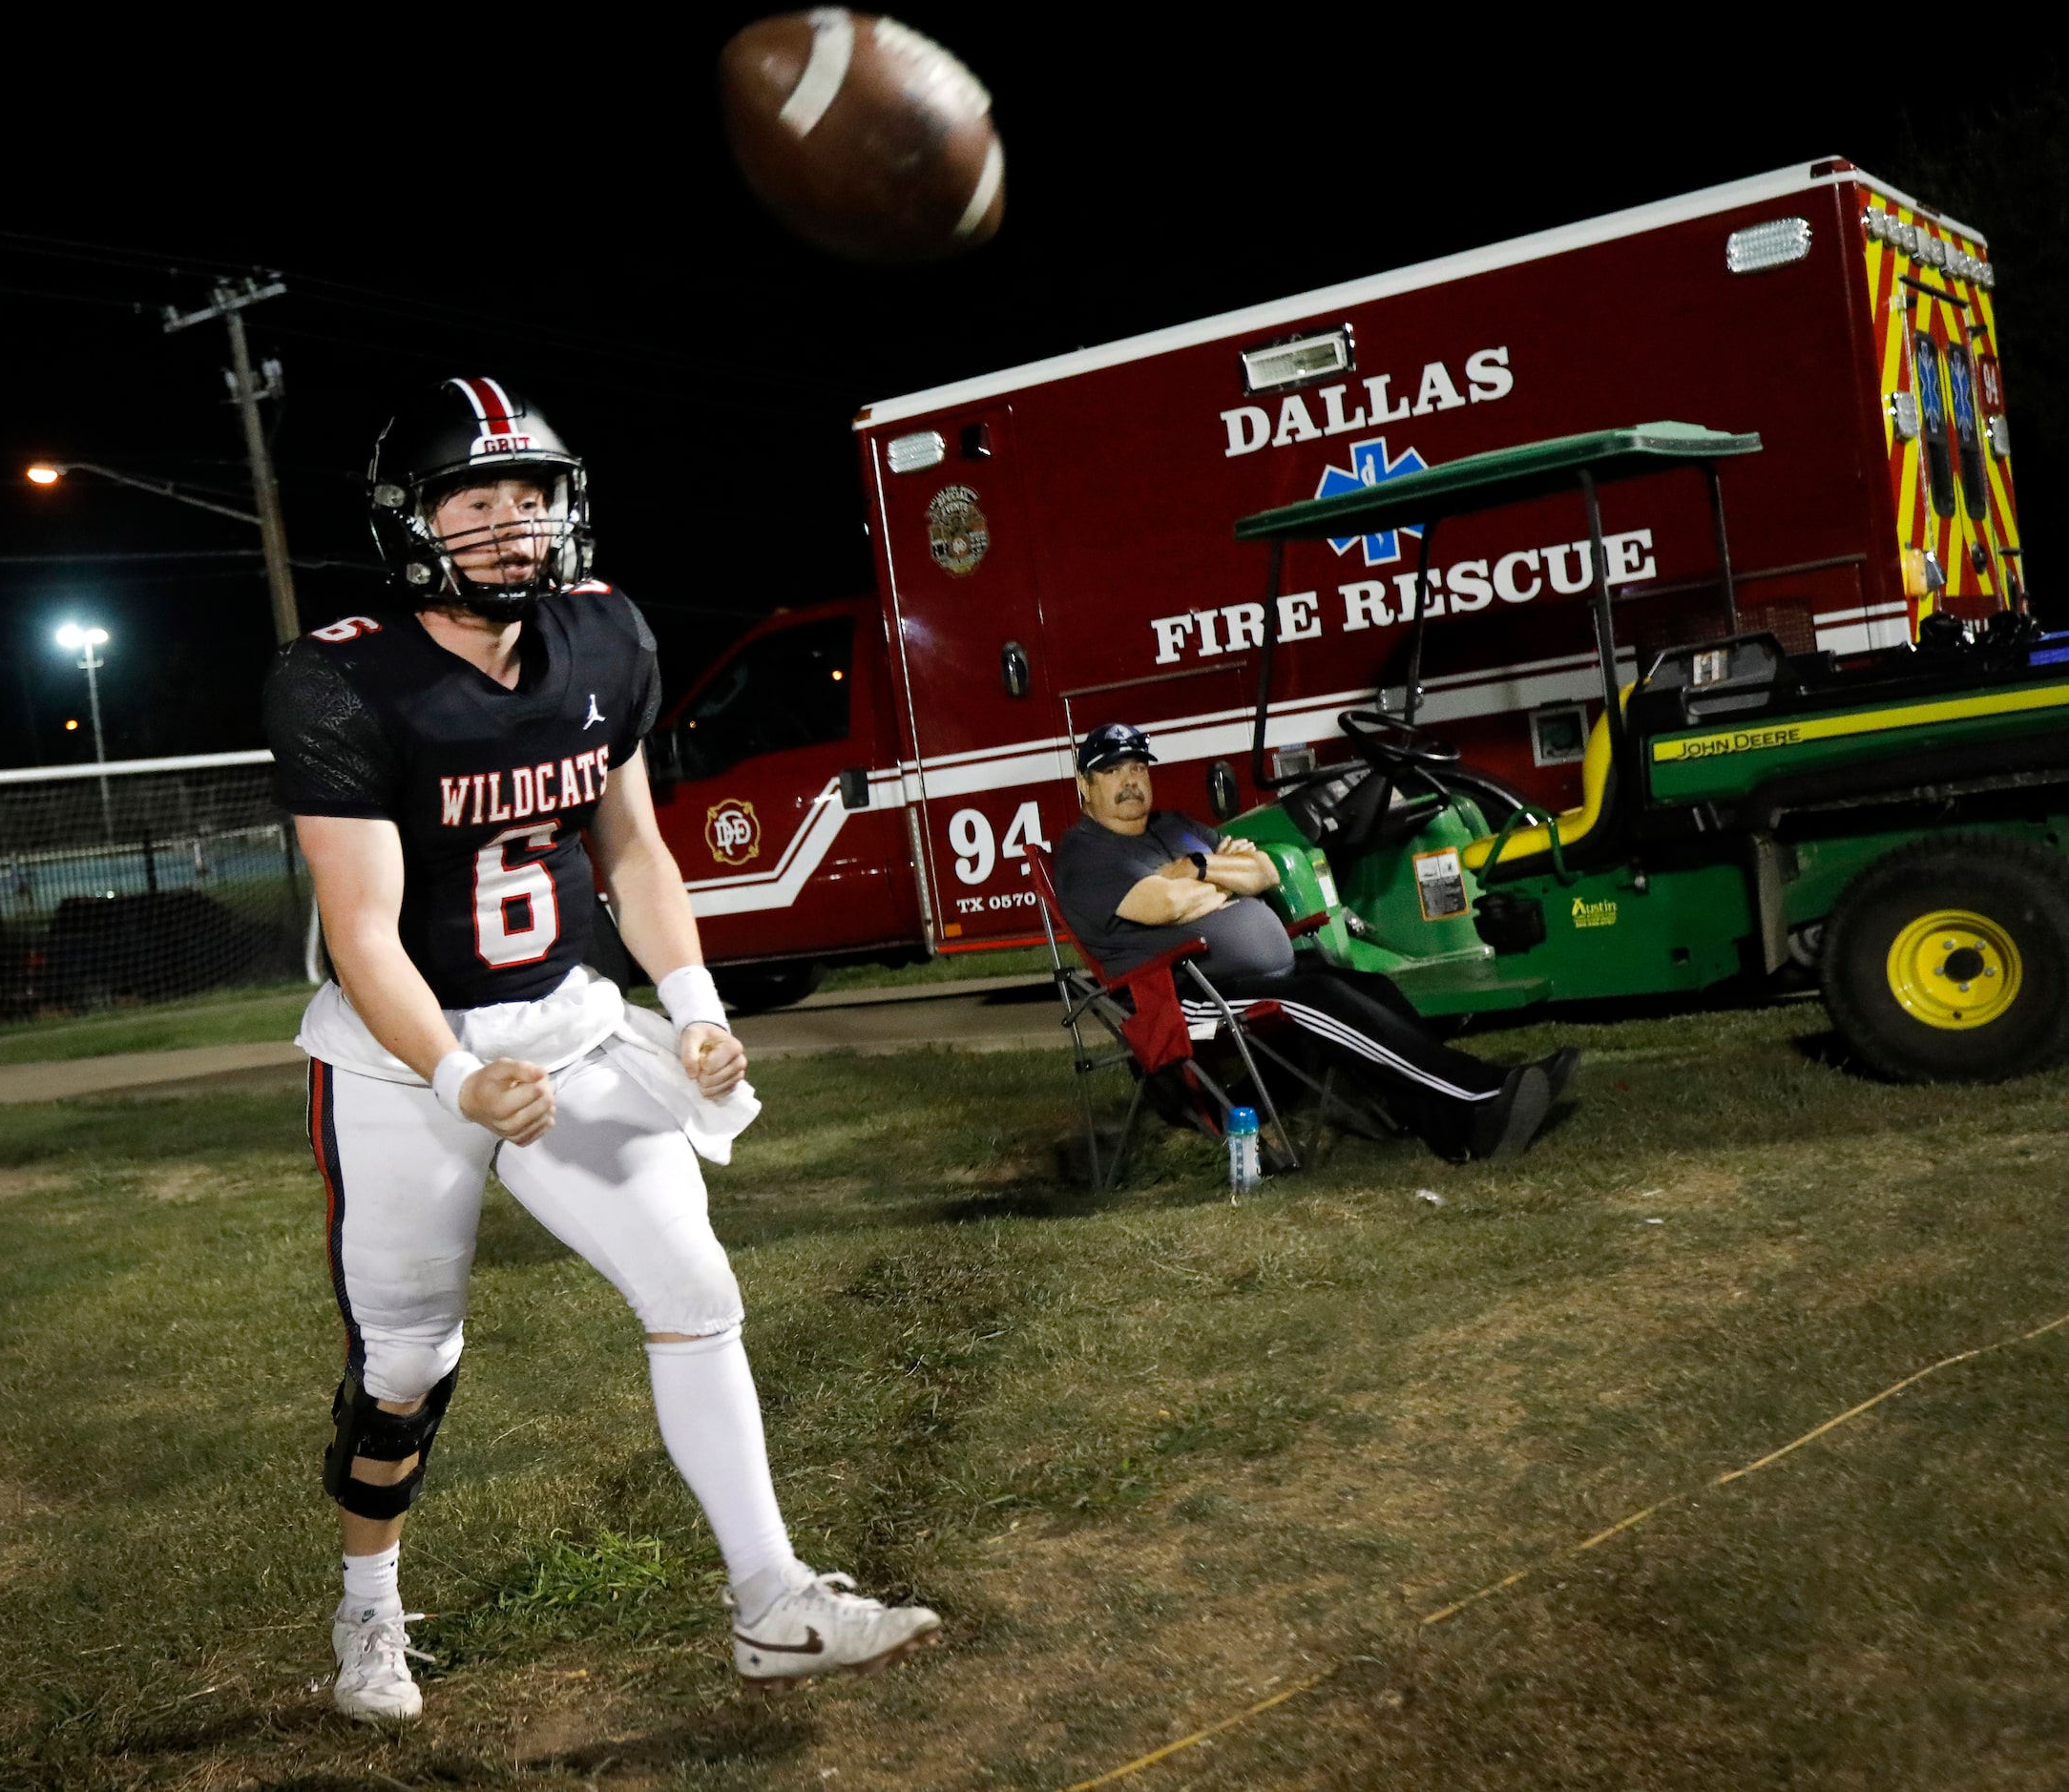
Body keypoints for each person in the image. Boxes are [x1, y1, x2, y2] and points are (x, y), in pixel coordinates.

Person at [263, 377, 938, 1722]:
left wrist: (691, 1003)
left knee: (693, 1281)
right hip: (405, 1059)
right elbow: (362, 933)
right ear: (410, 520)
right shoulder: (338, 673)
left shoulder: (603, 633)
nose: (514, 523)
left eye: (533, 494)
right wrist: (459, 1079)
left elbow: (629, 846)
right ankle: (367, 1610)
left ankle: (770, 1601)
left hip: (564, 1024)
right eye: (476, 498)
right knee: (403, 1360)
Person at [1052, 722, 1575, 1161]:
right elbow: (1163, 906)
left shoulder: (1175, 827)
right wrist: (1220, 883)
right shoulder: (1088, 854)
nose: (1130, 781)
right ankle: (1483, 1094)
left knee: (1369, 989)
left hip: (1247, 975)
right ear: (1085, 785)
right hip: (1185, 993)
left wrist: (1199, 867)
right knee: (1328, 1005)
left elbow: (1262, 871)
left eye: (1138, 768)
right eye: (1112, 771)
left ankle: (1452, 1125)